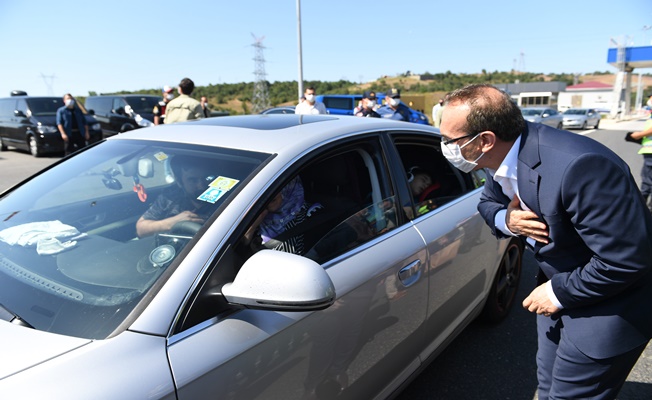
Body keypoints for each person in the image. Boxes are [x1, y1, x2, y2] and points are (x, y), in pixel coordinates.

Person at [439, 83, 652, 400]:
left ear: (484, 140)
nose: (444, 146)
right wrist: (507, 220)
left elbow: (625, 260)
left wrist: (557, 291)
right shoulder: (502, 154)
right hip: (557, 295)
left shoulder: (580, 166)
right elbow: (488, 203)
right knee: (549, 384)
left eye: (448, 140)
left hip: (608, 306)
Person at [136, 155, 213, 237]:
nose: (202, 186)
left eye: (207, 178)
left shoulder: (225, 199)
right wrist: (171, 223)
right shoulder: (170, 198)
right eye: (193, 180)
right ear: (179, 182)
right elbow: (141, 229)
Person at [245, 176, 323, 256]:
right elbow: (238, 249)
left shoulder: (312, 215)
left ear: (290, 184)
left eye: (277, 186)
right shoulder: (258, 216)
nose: (270, 193)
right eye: (267, 187)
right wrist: (252, 226)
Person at [626, 117, 652, 213]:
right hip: (649, 153)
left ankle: (642, 210)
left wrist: (638, 135)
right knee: (647, 180)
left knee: (647, 181)